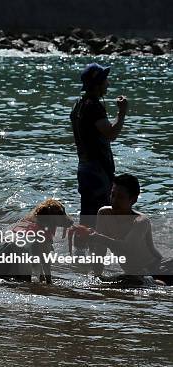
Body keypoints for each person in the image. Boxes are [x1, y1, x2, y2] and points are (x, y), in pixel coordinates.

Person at [70, 63, 128, 249]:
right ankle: (97, 262)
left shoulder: (78, 105)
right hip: (97, 170)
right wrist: (122, 112)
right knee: (102, 216)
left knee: (87, 215)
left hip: (85, 167)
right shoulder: (93, 106)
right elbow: (111, 133)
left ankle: (79, 257)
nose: (108, 84)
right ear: (97, 84)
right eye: (105, 80)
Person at [78, 174, 171, 285]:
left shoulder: (141, 221)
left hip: (160, 270)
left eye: (120, 197)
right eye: (113, 195)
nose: (114, 201)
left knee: (139, 282)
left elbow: (127, 248)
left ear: (133, 200)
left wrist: (97, 237)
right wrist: (96, 276)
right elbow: (100, 251)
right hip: (137, 274)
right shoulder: (104, 213)